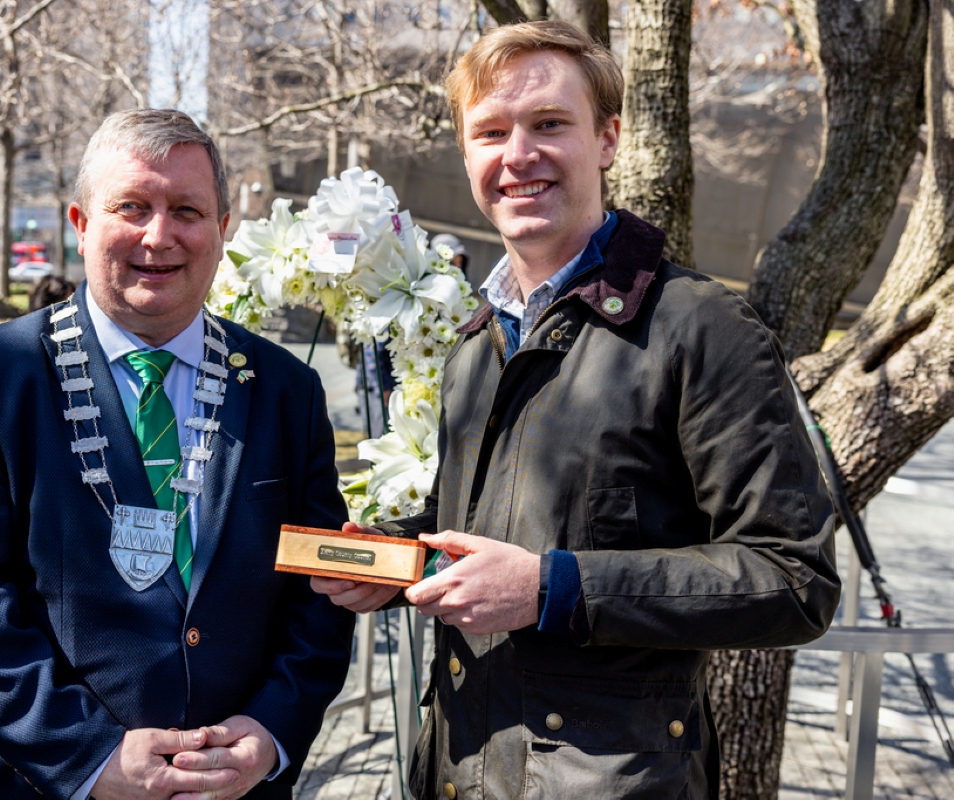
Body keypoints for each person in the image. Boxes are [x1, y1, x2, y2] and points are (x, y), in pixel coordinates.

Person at [312, 20, 840, 799]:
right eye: (490, 131)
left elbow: (793, 577)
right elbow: (496, 533)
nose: (517, 155)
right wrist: (393, 562)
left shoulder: (701, 328)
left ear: (609, 139)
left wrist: (556, 589)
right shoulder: (474, 342)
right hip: (460, 771)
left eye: (549, 124)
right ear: (467, 155)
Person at [0, 109, 354, 800]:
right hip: (35, 782)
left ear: (223, 229)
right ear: (81, 224)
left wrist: (271, 733)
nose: (158, 235)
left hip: (229, 785)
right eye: (132, 207)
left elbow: (317, 594)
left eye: (187, 210)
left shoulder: (285, 389)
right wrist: (91, 759)